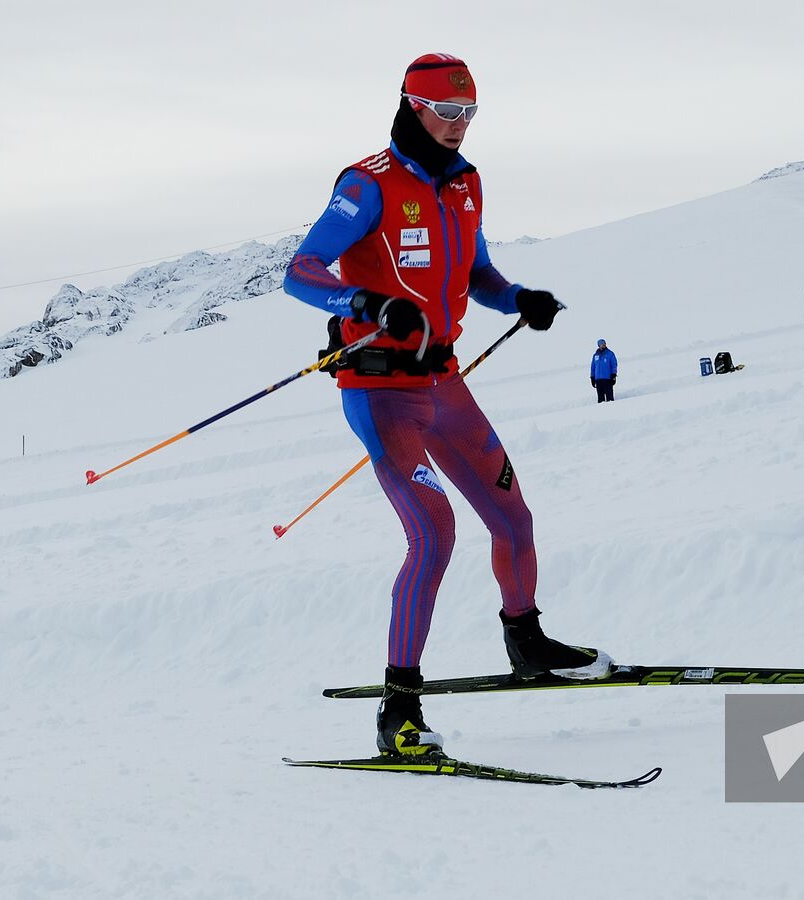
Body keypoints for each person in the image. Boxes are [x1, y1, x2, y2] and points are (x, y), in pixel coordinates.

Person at [283, 53, 612, 758]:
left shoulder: (466, 185)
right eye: (446, 111)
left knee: (512, 514)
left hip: (443, 383)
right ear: (411, 105)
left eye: (469, 114)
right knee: (434, 532)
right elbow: (300, 272)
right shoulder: (366, 184)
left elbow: (480, 273)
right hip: (381, 391)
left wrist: (517, 298)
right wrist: (362, 301)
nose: (459, 126)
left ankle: (527, 640)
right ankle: (398, 708)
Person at [590, 338, 618, 402]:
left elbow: (614, 365)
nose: (603, 346)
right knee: (600, 399)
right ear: (599, 346)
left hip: (607, 379)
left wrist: (613, 375)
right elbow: (593, 367)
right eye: (601, 344)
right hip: (598, 380)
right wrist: (592, 377)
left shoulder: (610, 354)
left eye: (604, 344)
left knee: (609, 398)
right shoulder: (595, 355)